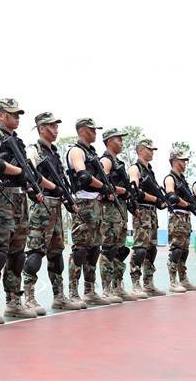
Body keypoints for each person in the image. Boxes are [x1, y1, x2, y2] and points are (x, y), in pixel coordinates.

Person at [0, 98, 41, 323]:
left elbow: (27, 173)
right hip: (3, 197)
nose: (17, 118)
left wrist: (31, 184)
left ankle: (14, 300)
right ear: (1, 115)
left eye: (18, 115)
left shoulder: (19, 142)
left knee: (17, 254)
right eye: (12, 114)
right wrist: (19, 172)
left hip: (20, 198)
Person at [22, 112, 82, 313]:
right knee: (35, 253)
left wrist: (66, 199)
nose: (56, 130)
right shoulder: (34, 150)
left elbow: (61, 182)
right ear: (41, 128)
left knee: (56, 253)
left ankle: (59, 296)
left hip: (56, 205)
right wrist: (53, 187)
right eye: (51, 126)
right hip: (42, 204)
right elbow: (31, 173)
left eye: (56, 126)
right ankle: (29, 297)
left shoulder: (54, 153)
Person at [66, 118, 112, 307]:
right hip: (84, 202)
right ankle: (73, 291)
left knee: (94, 249)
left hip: (96, 203)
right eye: (92, 130)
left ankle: (90, 290)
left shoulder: (92, 153)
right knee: (81, 249)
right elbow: (83, 176)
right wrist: (103, 186)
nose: (95, 133)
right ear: (83, 130)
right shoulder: (77, 151)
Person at [98, 128, 137, 301]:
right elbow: (104, 184)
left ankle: (117, 285)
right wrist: (123, 191)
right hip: (110, 209)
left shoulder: (118, 162)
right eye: (118, 139)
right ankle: (107, 289)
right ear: (109, 141)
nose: (121, 142)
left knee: (120, 249)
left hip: (120, 208)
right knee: (109, 249)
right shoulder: (106, 160)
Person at [127, 139, 167, 298]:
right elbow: (135, 191)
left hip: (152, 213)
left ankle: (148, 283)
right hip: (142, 211)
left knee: (151, 248)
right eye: (149, 149)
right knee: (140, 248)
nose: (152, 152)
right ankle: (136, 283)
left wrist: (160, 202)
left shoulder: (149, 170)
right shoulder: (135, 168)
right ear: (140, 150)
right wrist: (155, 199)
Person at [163, 148, 196, 293]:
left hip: (186, 217)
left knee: (184, 250)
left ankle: (183, 279)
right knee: (176, 249)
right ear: (174, 161)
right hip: (177, 216)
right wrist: (188, 205)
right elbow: (171, 196)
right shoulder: (170, 178)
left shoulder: (183, 180)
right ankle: (173, 281)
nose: (185, 163)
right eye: (182, 160)